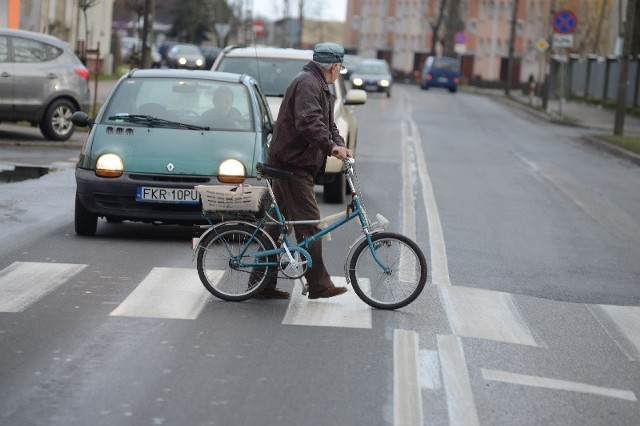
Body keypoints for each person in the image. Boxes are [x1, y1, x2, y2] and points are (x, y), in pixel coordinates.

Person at [257, 42, 352, 300]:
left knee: (276, 225)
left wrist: (339, 145)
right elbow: (308, 122)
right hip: (292, 165)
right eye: (340, 68)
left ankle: (260, 283)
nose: (339, 72)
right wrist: (331, 147)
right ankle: (319, 284)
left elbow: (328, 126)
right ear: (334, 66)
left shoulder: (318, 85)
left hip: (289, 162)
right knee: (310, 224)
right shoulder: (309, 84)